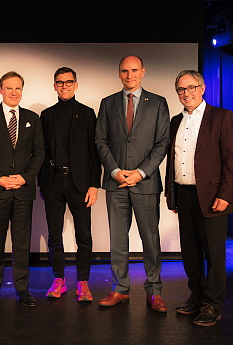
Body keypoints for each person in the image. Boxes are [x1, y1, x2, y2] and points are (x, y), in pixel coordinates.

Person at [95, 55, 170, 312]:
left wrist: (140, 172)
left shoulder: (158, 103)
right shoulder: (107, 103)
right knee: (118, 240)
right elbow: (100, 141)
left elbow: (162, 143)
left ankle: (155, 292)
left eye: (134, 70)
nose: (129, 75)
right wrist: (115, 171)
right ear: (119, 73)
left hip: (145, 182)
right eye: (124, 71)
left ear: (143, 72)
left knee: (150, 239)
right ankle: (120, 289)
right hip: (116, 183)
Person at [165, 70, 233, 326]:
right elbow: (171, 160)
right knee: (191, 252)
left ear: (202, 88)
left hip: (212, 197)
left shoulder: (221, 117)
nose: (186, 93)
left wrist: (226, 195)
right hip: (184, 194)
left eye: (191, 88)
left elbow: (231, 160)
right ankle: (196, 296)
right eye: (181, 90)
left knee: (214, 254)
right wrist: (171, 194)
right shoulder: (175, 121)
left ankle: (213, 304)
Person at [0, 71, 44, 309]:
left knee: (22, 244)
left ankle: (22, 290)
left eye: (18, 88)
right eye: (9, 88)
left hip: (23, 191)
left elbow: (39, 153)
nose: (14, 93)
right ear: (0, 90)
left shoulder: (32, 118)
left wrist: (25, 178)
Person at [39, 67, 101, 301]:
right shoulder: (47, 115)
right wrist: (42, 184)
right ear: (54, 85)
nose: (64, 86)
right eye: (60, 82)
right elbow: (41, 152)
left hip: (81, 184)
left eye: (68, 82)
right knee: (54, 234)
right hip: (53, 182)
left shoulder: (87, 114)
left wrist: (94, 184)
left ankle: (83, 282)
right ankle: (59, 280)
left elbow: (94, 152)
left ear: (76, 84)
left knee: (83, 234)